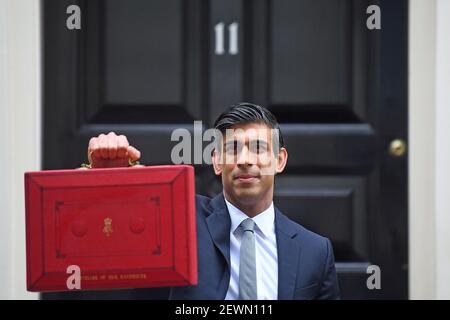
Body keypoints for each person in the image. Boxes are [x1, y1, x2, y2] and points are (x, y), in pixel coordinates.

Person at [85, 102, 340, 300]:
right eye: (233, 149)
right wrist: (108, 179)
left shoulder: (315, 251)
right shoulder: (179, 217)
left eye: (258, 148)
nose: (244, 160)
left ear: (279, 160)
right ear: (217, 161)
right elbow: (113, 232)